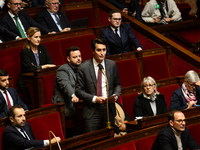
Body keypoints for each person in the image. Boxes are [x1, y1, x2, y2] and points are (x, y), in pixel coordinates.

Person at [75, 38, 121, 133]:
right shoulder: (84, 67)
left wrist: (115, 96)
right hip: (92, 110)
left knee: (109, 140)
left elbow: (117, 85)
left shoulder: (111, 65)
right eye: (99, 50)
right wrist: (95, 98)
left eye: (104, 50)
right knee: (93, 141)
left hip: (109, 108)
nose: (102, 53)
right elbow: (78, 91)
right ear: (93, 51)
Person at [16, 27, 55, 100]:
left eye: (39, 37)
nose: (38, 39)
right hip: (28, 81)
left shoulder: (42, 47)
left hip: (41, 78)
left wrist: (38, 67)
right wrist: (44, 66)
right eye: (36, 37)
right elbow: (29, 69)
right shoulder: (25, 52)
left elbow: (50, 62)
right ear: (28, 37)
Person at [53, 46, 82, 119]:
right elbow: (65, 85)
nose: (78, 59)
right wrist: (73, 95)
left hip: (81, 102)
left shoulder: (83, 68)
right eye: (75, 57)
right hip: (66, 104)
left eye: (79, 56)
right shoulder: (62, 70)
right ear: (68, 59)